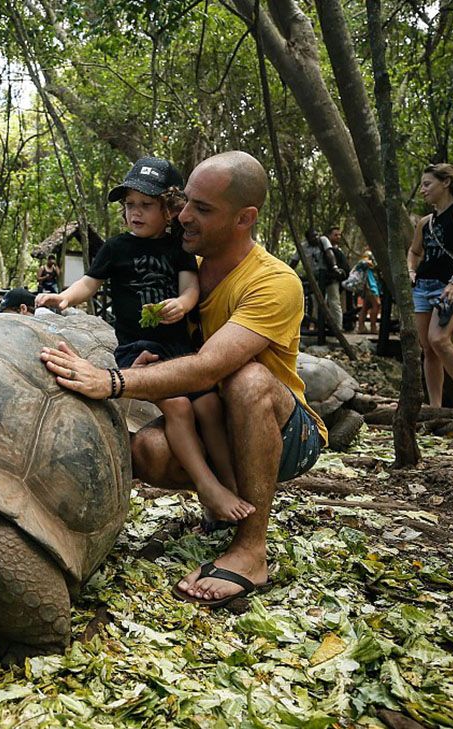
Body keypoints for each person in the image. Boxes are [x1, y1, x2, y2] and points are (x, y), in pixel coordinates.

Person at [40, 151, 327, 609]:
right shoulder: (180, 262)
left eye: (203, 209)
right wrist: (140, 363)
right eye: (186, 202)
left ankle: (251, 549)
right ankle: (219, 504)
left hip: (284, 430)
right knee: (147, 449)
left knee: (247, 380)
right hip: (209, 415)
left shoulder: (274, 281)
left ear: (244, 218)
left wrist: (111, 381)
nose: (185, 216)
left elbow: (210, 366)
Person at [37, 156, 252, 525]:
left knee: (209, 407)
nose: (135, 213)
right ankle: (206, 486)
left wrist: (182, 305)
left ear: (169, 210)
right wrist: (64, 298)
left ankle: (230, 484)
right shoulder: (116, 248)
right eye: (129, 205)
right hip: (137, 348)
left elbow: (190, 288)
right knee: (179, 407)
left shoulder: (178, 248)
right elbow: (89, 283)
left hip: (179, 349)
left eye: (146, 205)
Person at [407, 162, 453, 413]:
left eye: (427, 184)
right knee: (428, 349)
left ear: (446, 182)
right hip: (422, 287)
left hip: (450, 286)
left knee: (439, 339)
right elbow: (414, 251)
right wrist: (411, 271)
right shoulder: (425, 222)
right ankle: (435, 407)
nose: (423, 190)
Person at [290, 229, 343, 333]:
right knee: (316, 302)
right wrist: (287, 273)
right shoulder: (303, 247)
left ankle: (338, 328)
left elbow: (329, 253)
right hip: (315, 278)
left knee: (334, 301)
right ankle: (316, 325)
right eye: (313, 237)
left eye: (317, 235)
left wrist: (335, 267)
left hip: (329, 275)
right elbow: (294, 261)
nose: (316, 238)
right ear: (308, 239)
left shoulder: (323, 240)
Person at [353, 251, 382, 335]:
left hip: (373, 287)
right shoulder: (368, 259)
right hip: (370, 287)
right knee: (377, 304)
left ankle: (361, 327)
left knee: (365, 307)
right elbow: (361, 264)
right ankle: (373, 327)